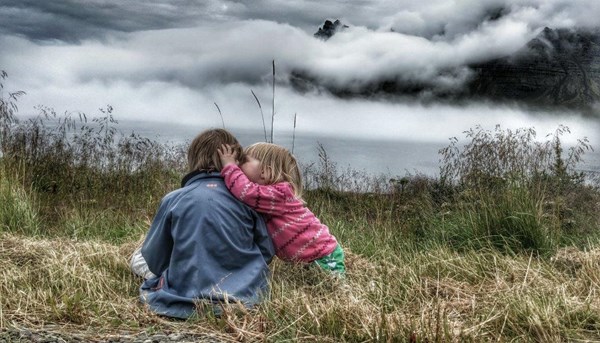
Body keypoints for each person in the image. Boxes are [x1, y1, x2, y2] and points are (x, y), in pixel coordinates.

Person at [135, 129, 274, 319]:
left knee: (137, 257)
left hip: (183, 298)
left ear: (193, 158)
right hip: (245, 298)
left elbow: (155, 260)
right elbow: (266, 252)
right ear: (235, 161)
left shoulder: (174, 199)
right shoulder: (247, 200)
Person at [217, 142, 345, 275]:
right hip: (310, 257)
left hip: (325, 254)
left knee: (332, 286)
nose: (239, 164)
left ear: (265, 171)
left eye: (244, 160)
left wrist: (229, 166)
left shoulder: (279, 194)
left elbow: (246, 191)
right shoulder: (268, 197)